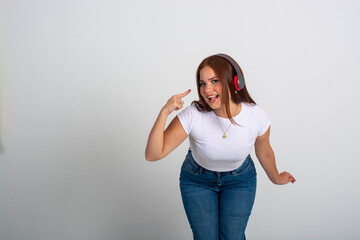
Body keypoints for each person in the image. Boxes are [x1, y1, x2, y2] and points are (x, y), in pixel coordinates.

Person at [145, 54, 296, 240]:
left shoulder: (256, 115)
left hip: (240, 181)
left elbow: (264, 151)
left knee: (233, 237)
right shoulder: (193, 116)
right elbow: (153, 154)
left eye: (214, 81)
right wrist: (164, 112)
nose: (207, 90)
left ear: (235, 82)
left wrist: (276, 177)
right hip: (197, 181)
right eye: (202, 83)